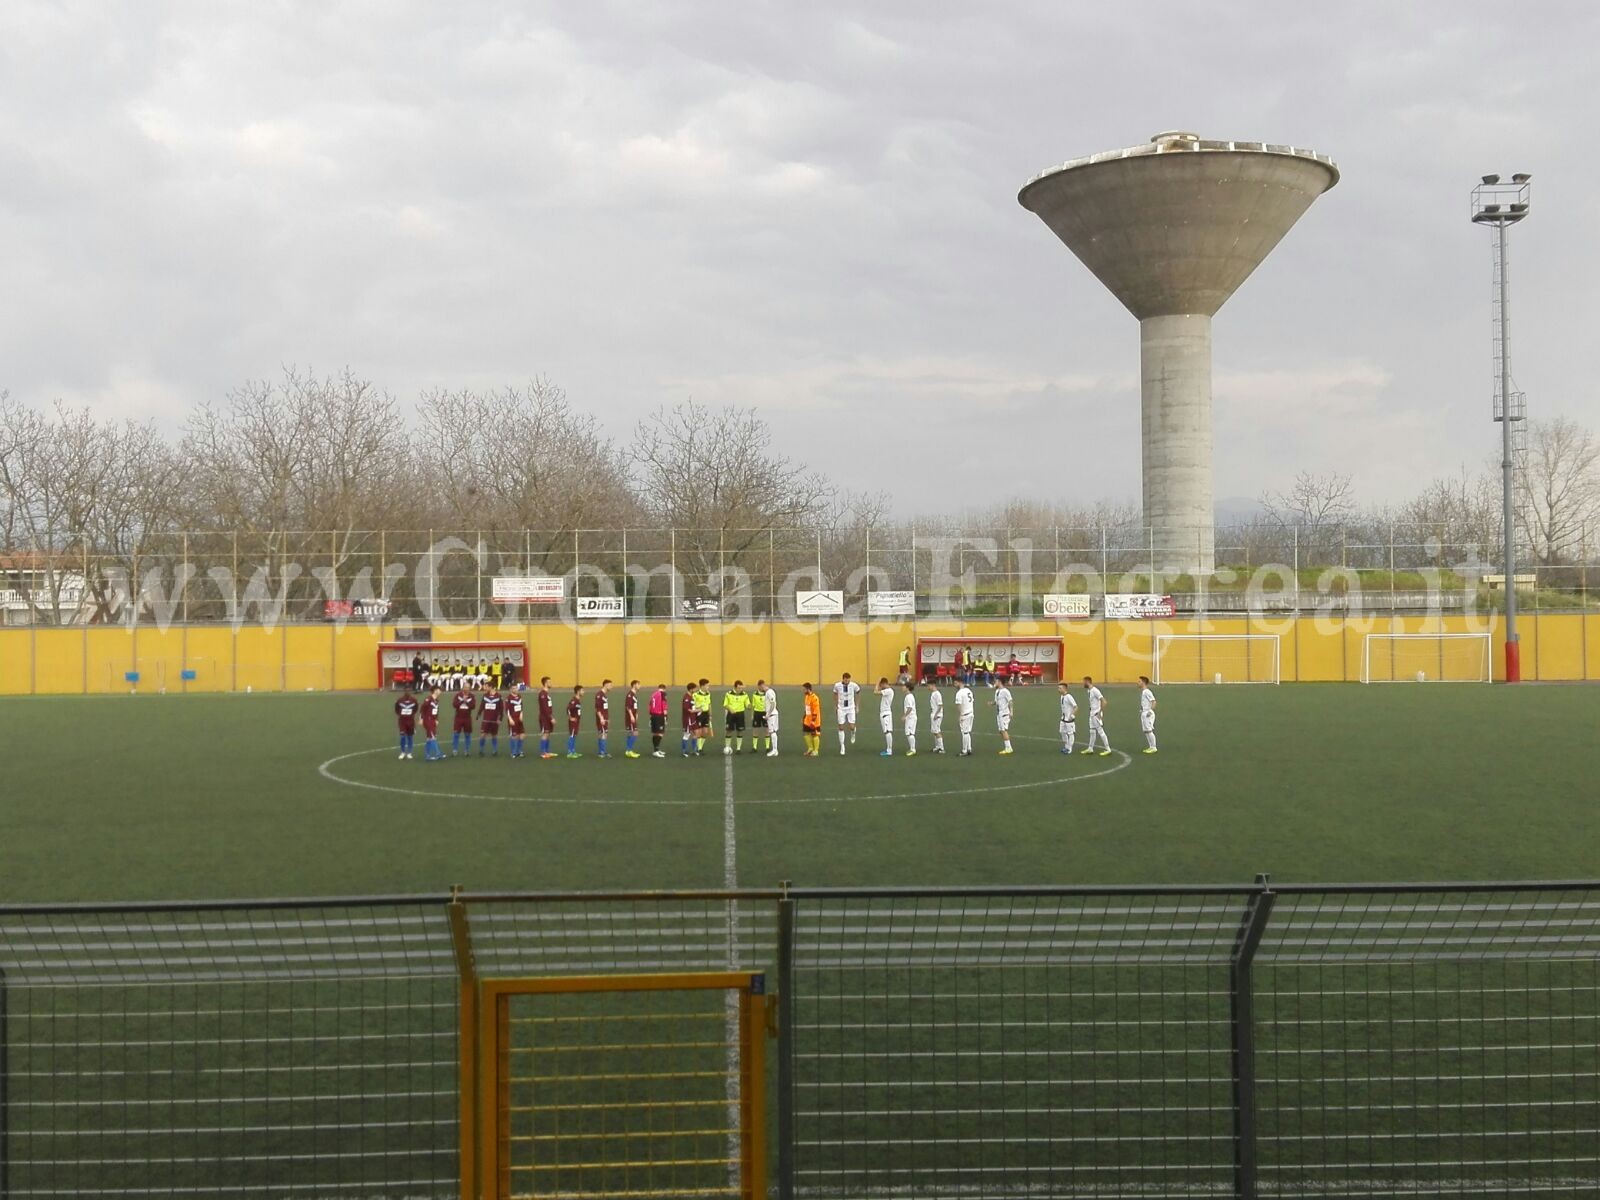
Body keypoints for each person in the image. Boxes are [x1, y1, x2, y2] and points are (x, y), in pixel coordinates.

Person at [1082, 676, 1111, 756]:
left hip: (1096, 714)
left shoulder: (1095, 691)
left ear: (1087, 682)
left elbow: (1104, 701)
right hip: (1092, 714)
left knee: (1100, 731)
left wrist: (1099, 712)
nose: (1083, 683)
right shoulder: (1089, 691)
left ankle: (1108, 749)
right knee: (1092, 731)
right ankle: (1090, 748)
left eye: (1084, 682)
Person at [833, 672, 861, 755]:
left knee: (852, 726)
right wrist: (835, 705)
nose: (847, 681)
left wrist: (857, 705)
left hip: (851, 708)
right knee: (841, 727)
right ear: (843, 679)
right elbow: (834, 694)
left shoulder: (853, 685)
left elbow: (858, 693)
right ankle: (842, 746)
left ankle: (853, 732)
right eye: (846, 680)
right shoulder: (837, 685)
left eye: (849, 680)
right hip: (841, 708)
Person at [723, 680, 749, 754]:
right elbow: (725, 704)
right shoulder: (728, 694)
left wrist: (749, 706)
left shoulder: (744, 694)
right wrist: (730, 709)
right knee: (729, 730)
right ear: (735, 687)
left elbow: (747, 704)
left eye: (741, 688)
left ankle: (738, 748)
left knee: (740, 731)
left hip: (740, 714)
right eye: (739, 688)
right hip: (731, 714)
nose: (740, 689)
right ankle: (727, 747)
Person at [451, 684, 476, 756]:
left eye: (468, 688)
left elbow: (473, 706)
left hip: (467, 718)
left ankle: (467, 750)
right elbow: (454, 705)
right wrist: (462, 701)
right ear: (463, 688)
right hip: (458, 718)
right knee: (456, 734)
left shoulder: (472, 696)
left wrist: (467, 702)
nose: (466, 689)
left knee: (467, 734)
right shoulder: (458, 695)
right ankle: (455, 749)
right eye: (465, 687)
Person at [478, 687, 503, 756]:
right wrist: (478, 714)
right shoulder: (485, 695)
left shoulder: (499, 696)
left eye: (487, 686)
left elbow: (501, 708)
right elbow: (482, 706)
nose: (485, 688)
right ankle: (481, 750)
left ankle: (494, 750)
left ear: (491, 687)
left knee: (494, 735)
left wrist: (500, 718)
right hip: (486, 719)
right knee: (483, 735)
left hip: (494, 720)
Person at [420, 687, 443, 761]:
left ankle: (427, 755)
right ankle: (438, 753)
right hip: (428, 720)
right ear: (435, 691)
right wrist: (421, 718)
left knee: (429, 738)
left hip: (432, 720)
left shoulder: (436, 700)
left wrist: (436, 719)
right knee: (433, 737)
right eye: (439, 690)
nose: (440, 692)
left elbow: (436, 710)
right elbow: (422, 708)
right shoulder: (428, 699)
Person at [394, 688, 418, 759]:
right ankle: (402, 752)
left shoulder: (414, 700)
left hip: (411, 721)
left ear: (410, 692)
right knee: (402, 737)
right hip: (402, 721)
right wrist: (401, 715)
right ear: (404, 691)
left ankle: (409, 752)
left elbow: (416, 709)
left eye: (409, 691)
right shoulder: (400, 700)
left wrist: (411, 714)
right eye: (406, 691)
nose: (407, 692)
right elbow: (396, 709)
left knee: (410, 737)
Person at [954, 677, 975, 756]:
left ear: (960, 682)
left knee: (965, 732)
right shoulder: (969, 690)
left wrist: (960, 715)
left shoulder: (959, 693)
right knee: (967, 732)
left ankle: (964, 750)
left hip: (965, 714)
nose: (955, 685)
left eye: (955, 683)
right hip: (971, 713)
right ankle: (969, 748)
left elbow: (959, 704)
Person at [1138, 674, 1158, 754]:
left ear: (1143, 682)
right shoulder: (1144, 692)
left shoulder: (1147, 692)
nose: (1138, 683)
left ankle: (1154, 747)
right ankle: (1150, 747)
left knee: (1149, 730)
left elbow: (1154, 701)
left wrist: (1150, 711)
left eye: (1139, 681)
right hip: (1144, 712)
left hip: (1147, 714)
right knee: (1146, 731)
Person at [537, 677, 556, 759]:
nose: (551, 683)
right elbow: (544, 708)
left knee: (548, 733)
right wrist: (551, 717)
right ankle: (543, 752)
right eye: (549, 682)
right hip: (544, 717)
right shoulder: (542, 694)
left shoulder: (547, 694)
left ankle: (547, 751)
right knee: (545, 733)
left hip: (548, 717)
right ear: (545, 683)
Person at [993, 678, 1014, 755]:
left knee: (1003, 730)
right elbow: (996, 701)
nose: (995, 683)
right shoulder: (997, 691)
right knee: (1001, 730)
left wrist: (1011, 712)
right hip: (999, 714)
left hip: (1004, 713)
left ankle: (1008, 748)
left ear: (1000, 682)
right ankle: (1008, 746)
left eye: (996, 681)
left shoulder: (1006, 691)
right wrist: (992, 703)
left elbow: (1010, 701)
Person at [801, 683, 822, 756]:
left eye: (804, 689)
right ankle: (810, 748)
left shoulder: (814, 698)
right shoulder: (806, 696)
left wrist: (813, 721)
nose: (803, 690)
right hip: (807, 719)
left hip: (814, 720)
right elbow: (807, 708)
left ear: (808, 689)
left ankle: (816, 751)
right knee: (806, 733)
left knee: (814, 734)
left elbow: (816, 710)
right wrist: (804, 717)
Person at [648, 683, 669, 758]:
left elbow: (650, 705)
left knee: (655, 733)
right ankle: (656, 751)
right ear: (664, 689)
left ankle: (656, 749)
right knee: (660, 733)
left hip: (653, 715)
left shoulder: (653, 694)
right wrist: (666, 716)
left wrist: (650, 717)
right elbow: (664, 705)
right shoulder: (663, 694)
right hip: (659, 715)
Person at [693, 679, 713, 754]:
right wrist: (697, 709)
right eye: (707, 685)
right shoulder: (695, 695)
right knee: (699, 731)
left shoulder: (708, 694)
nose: (708, 687)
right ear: (702, 686)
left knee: (705, 732)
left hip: (706, 714)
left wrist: (710, 714)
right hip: (699, 714)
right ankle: (699, 748)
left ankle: (699, 746)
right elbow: (693, 705)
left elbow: (709, 704)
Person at [876, 677, 896, 757]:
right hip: (885, 713)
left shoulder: (888, 690)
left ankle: (889, 750)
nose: (881, 687)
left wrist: (877, 683)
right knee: (887, 731)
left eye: (881, 685)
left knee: (888, 731)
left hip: (886, 713)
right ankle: (888, 749)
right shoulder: (888, 691)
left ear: (884, 683)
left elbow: (875, 692)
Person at [1057, 682, 1078, 755]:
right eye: (1058, 688)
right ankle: (1066, 746)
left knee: (1070, 734)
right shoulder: (1062, 696)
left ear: (1065, 689)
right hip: (1063, 718)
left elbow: (1076, 707)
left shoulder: (1069, 697)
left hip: (1069, 719)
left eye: (1060, 688)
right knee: (1062, 732)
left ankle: (1069, 749)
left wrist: (1071, 716)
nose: (1058, 689)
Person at [506, 687, 526, 759]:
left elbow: (521, 707)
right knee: (514, 736)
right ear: (511, 689)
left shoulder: (519, 696)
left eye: (516, 688)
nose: (516, 689)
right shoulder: (508, 698)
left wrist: (521, 714)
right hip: (513, 718)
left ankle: (519, 750)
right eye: (514, 688)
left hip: (519, 718)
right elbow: (507, 710)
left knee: (522, 735)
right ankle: (513, 752)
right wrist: (510, 719)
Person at [595, 679, 612, 758]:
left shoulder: (604, 695)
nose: (611, 687)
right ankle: (601, 752)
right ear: (605, 685)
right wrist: (601, 718)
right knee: (603, 734)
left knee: (604, 734)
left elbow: (604, 708)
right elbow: (598, 708)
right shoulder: (599, 695)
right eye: (610, 685)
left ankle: (603, 751)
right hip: (601, 718)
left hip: (605, 718)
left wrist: (607, 718)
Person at [750, 679, 769, 753]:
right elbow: (753, 705)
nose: (763, 687)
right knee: (755, 730)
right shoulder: (755, 694)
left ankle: (767, 747)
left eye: (763, 685)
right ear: (758, 686)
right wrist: (752, 715)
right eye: (761, 686)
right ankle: (754, 747)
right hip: (757, 713)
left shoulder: (767, 693)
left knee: (766, 730)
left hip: (765, 713)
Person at [623, 680, 641, 758]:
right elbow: (628, 706)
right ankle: (629, 750)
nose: (640, 686)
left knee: (631, 733)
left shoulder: (634, 695)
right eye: (638, 684)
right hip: (630, 718)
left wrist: (636, 714)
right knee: (635, 733)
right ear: (634, 685)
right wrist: (631, 716)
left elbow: (634, 706)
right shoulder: (630, 695)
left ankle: (628, 751)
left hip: (633, 716)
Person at [763, 679, 781, 757]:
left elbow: (773, 703)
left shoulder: (769, 692)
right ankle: (774, 749)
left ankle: (774, 750)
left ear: (762, 685)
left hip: (772, 715)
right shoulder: (771, 691)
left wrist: (768, 714)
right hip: (773, 714)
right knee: (773, 731)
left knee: (772, 732)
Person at [565, 686, 585, 758]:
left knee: (574, 735)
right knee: (572, 735)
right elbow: (568, 709)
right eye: (582, 690)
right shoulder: (574, 700)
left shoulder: (578, 700)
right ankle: (569, 752)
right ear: (578, 691)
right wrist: (571, 718)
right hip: (573, 722)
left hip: (577, 721)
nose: (583, 692)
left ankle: (573, 751)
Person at [927, 678, 945, 754]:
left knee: (937, 731)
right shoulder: (933, 693)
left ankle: (941, 748)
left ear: (933, 685)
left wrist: (936, 714)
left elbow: (940, 705)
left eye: (928, 686)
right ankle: (937, 747)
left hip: (937, 715)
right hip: (934, 713)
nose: (928, 687)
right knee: (934, 731)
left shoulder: (937, 694)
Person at [680, 682, 697, 756]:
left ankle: (694, 750)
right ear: (691, 689)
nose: (695, 690)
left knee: (695, 733)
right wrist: (698, 710)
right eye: (694, 688)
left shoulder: (691, 696)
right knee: (686, 734)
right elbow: (687, 709)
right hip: (688, 719)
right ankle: (684, 751)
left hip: (693, 718)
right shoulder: (686, 697)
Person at [901, 681, 918, 757]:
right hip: (910, 717)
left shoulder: (909, 697)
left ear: (907, 688)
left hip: (911, 718)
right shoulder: (908, 696)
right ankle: (912, 748)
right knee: (908, 733)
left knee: (910, 733)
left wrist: (904, 716)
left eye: (904, 686)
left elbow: (910, 708)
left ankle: (913, 749)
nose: (902, 687)